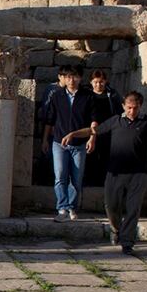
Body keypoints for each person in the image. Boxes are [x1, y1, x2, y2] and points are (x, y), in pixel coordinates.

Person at [61, 90, 147, 255]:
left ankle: (127, 241)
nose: (132, 111)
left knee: (133, 208)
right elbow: (94, 130)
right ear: (123, 106)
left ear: (140, 107)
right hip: (115, 171)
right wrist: (73, 134)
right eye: (129, 108)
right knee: (111, 205)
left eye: (135, 108)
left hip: (139, 173)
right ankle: (116, 228)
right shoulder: (115, 121)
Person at [42, 66, 97, 221]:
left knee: (76, 178)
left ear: (80, 78)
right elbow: (50, 119)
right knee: (60, 176)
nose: (72, 80)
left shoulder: (88, 96)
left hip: (79, 143)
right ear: (64, 79)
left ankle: (72, 207)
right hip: (59, 142)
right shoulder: (57, 96)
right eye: (68, 77)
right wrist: (45, 139)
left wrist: (93, 138)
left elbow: (94, 120)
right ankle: (62, 208)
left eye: (75, 77)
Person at [84, 69, 123, 186]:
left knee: (107, 157)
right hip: (90, 130)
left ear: (105, 81)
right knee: (90, 156)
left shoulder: (112, 95)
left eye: (101, 82)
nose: (98, 85)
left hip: (108, 131)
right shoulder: (87, 95)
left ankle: (105, 183)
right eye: (95, 82)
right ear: (91, 82)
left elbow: (119, 112)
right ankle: (90, 182)